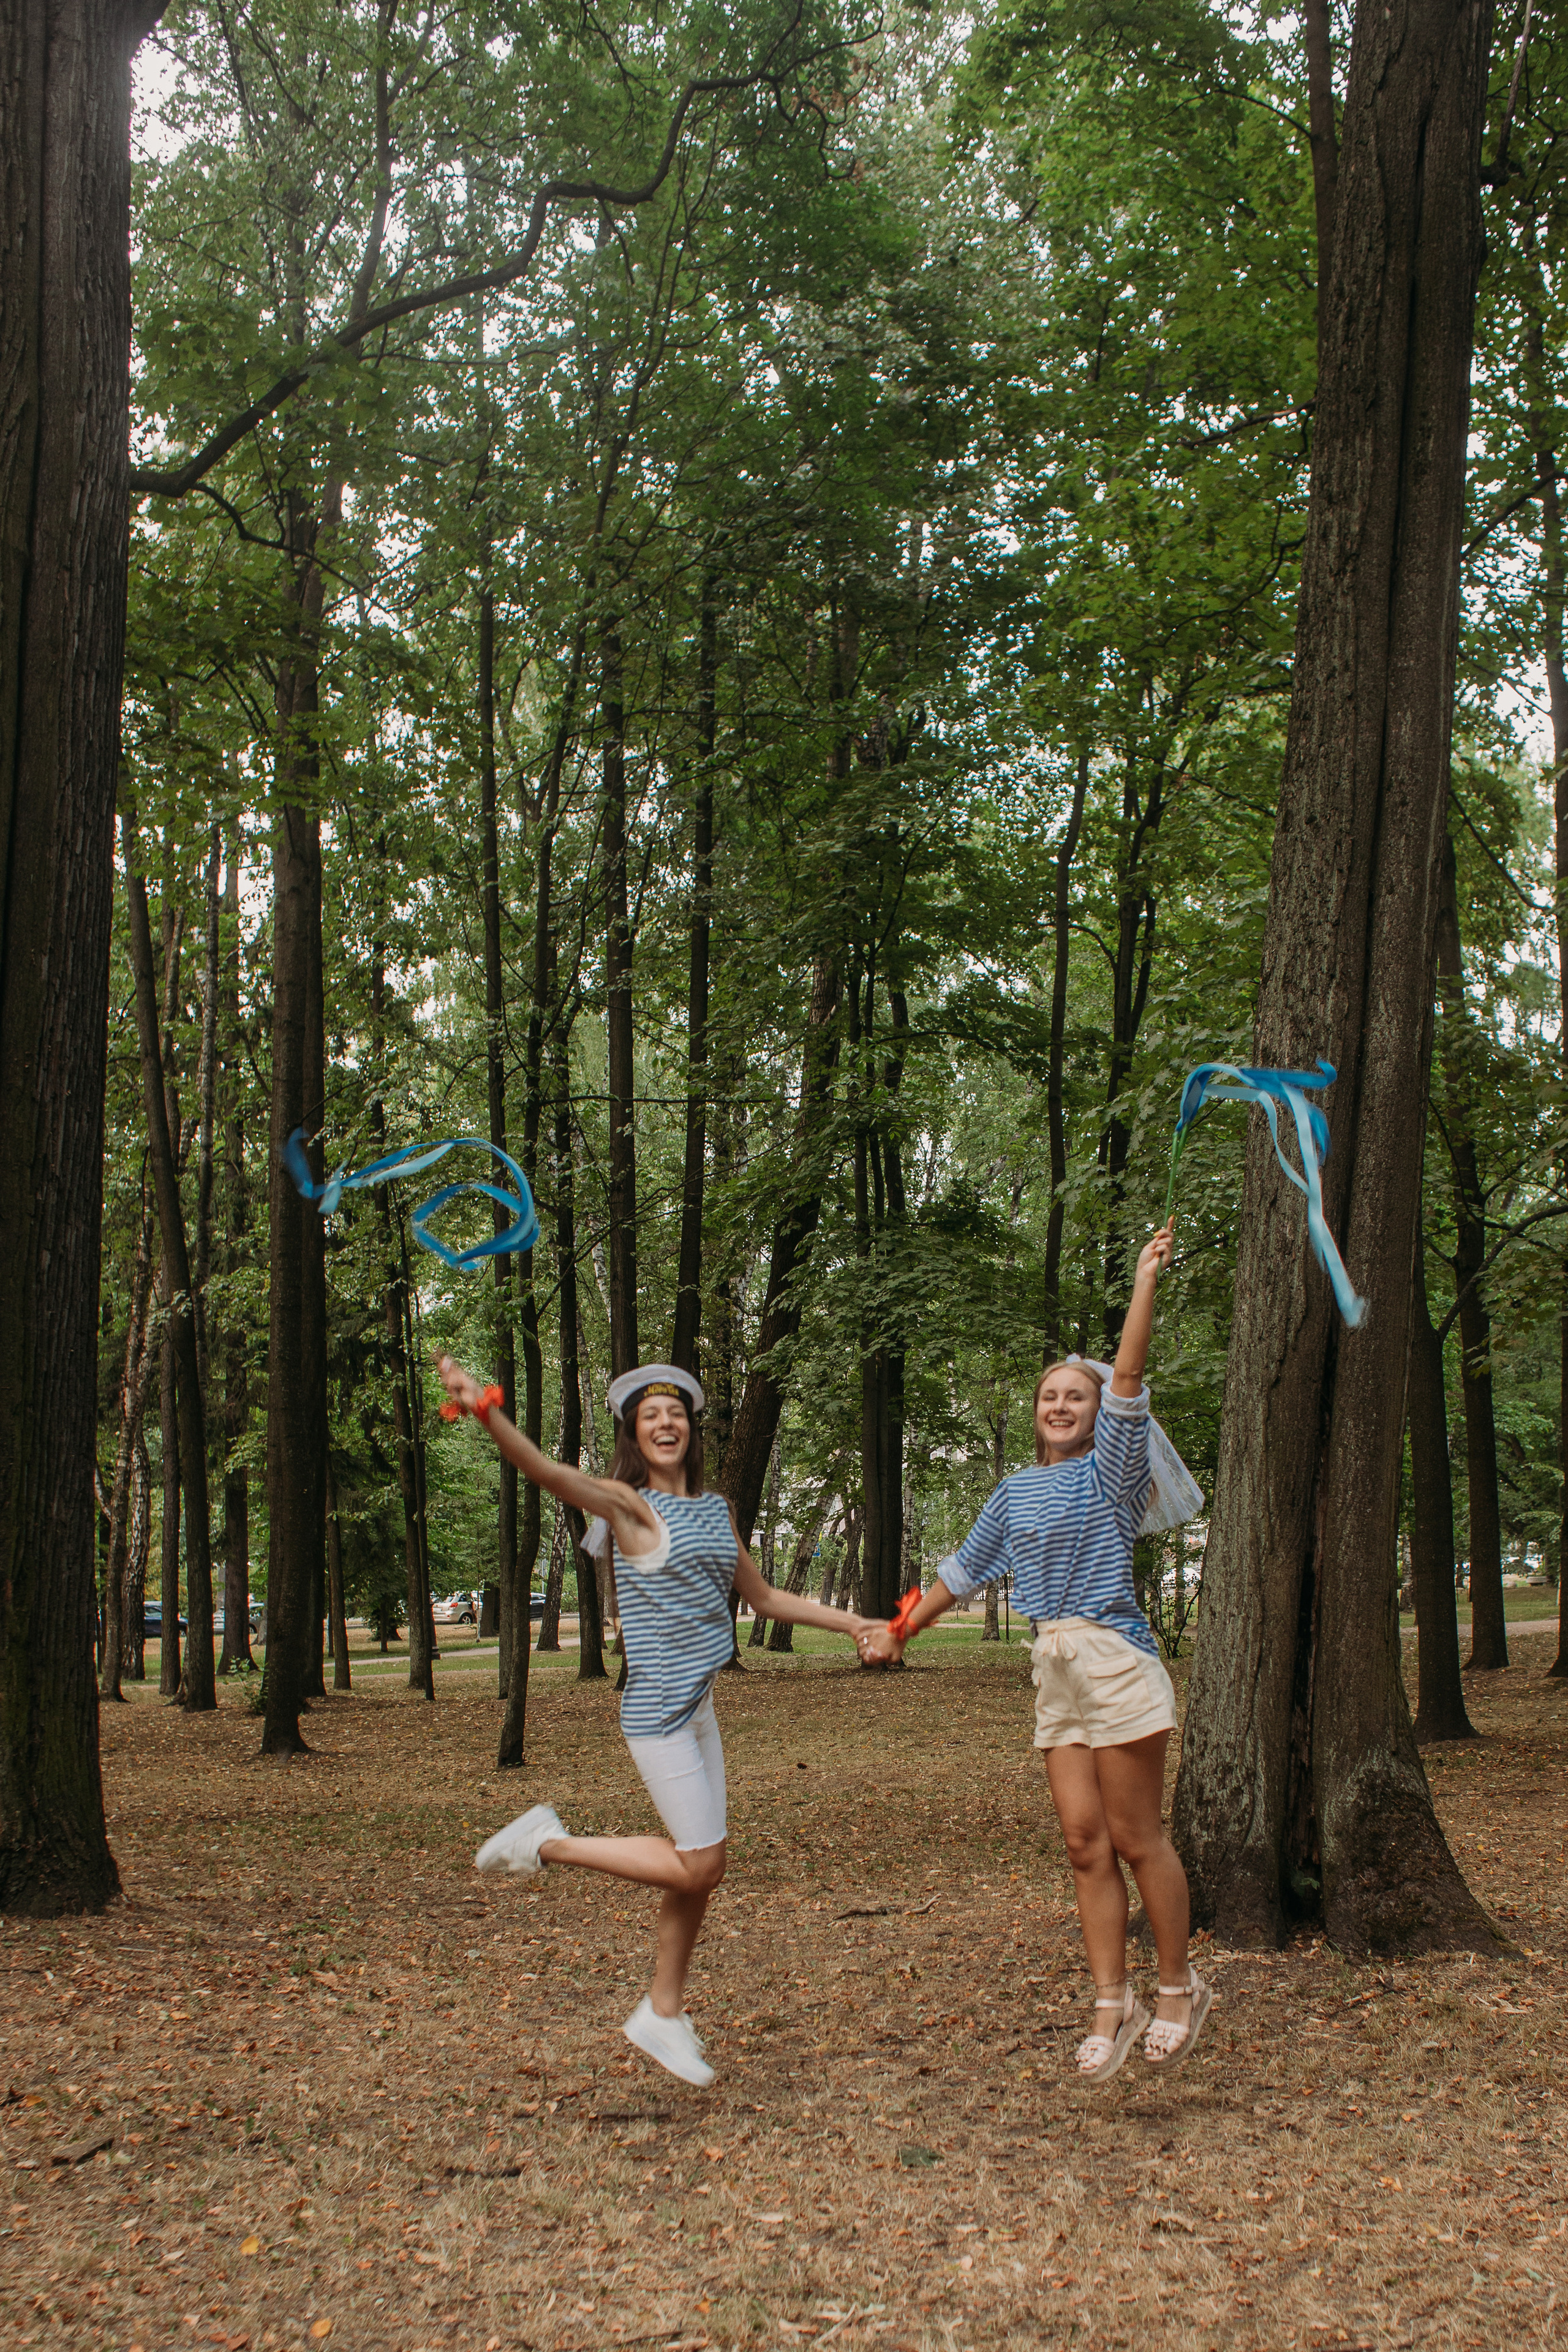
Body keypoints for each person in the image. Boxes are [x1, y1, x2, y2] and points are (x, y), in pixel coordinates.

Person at [435, 1355, 872, 2087]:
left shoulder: (714, 1509)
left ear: (690, 1429)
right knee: (701, 1863)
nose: (665, 1424)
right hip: (656, 1716)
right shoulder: (628, 1506)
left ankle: (663, 2013)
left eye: (675, 1414)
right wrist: (487, 1413)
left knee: (695, 1872)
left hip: (698, 1707)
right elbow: (547, 1471)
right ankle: (546, 1842)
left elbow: (762, 1600)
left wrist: (853, 1622)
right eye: (650, 1417)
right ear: (635, 1435)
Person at [861, 1222, 1210, 2079]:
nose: (1061, 1405)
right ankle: (1110, 2002)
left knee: (1137, 1838)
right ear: (1035, 1412)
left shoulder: (1113, 1471)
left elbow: (1128, 1373)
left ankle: (1176, 1987)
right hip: (1054, 1671)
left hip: (1116, 1661)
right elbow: (962, 1571)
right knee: (1084, 1845)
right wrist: (900, 1627)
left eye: (1076, 1396)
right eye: (1049, 1396)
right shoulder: (1015, 1490)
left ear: (1098, 1412)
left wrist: (1144, 1280)